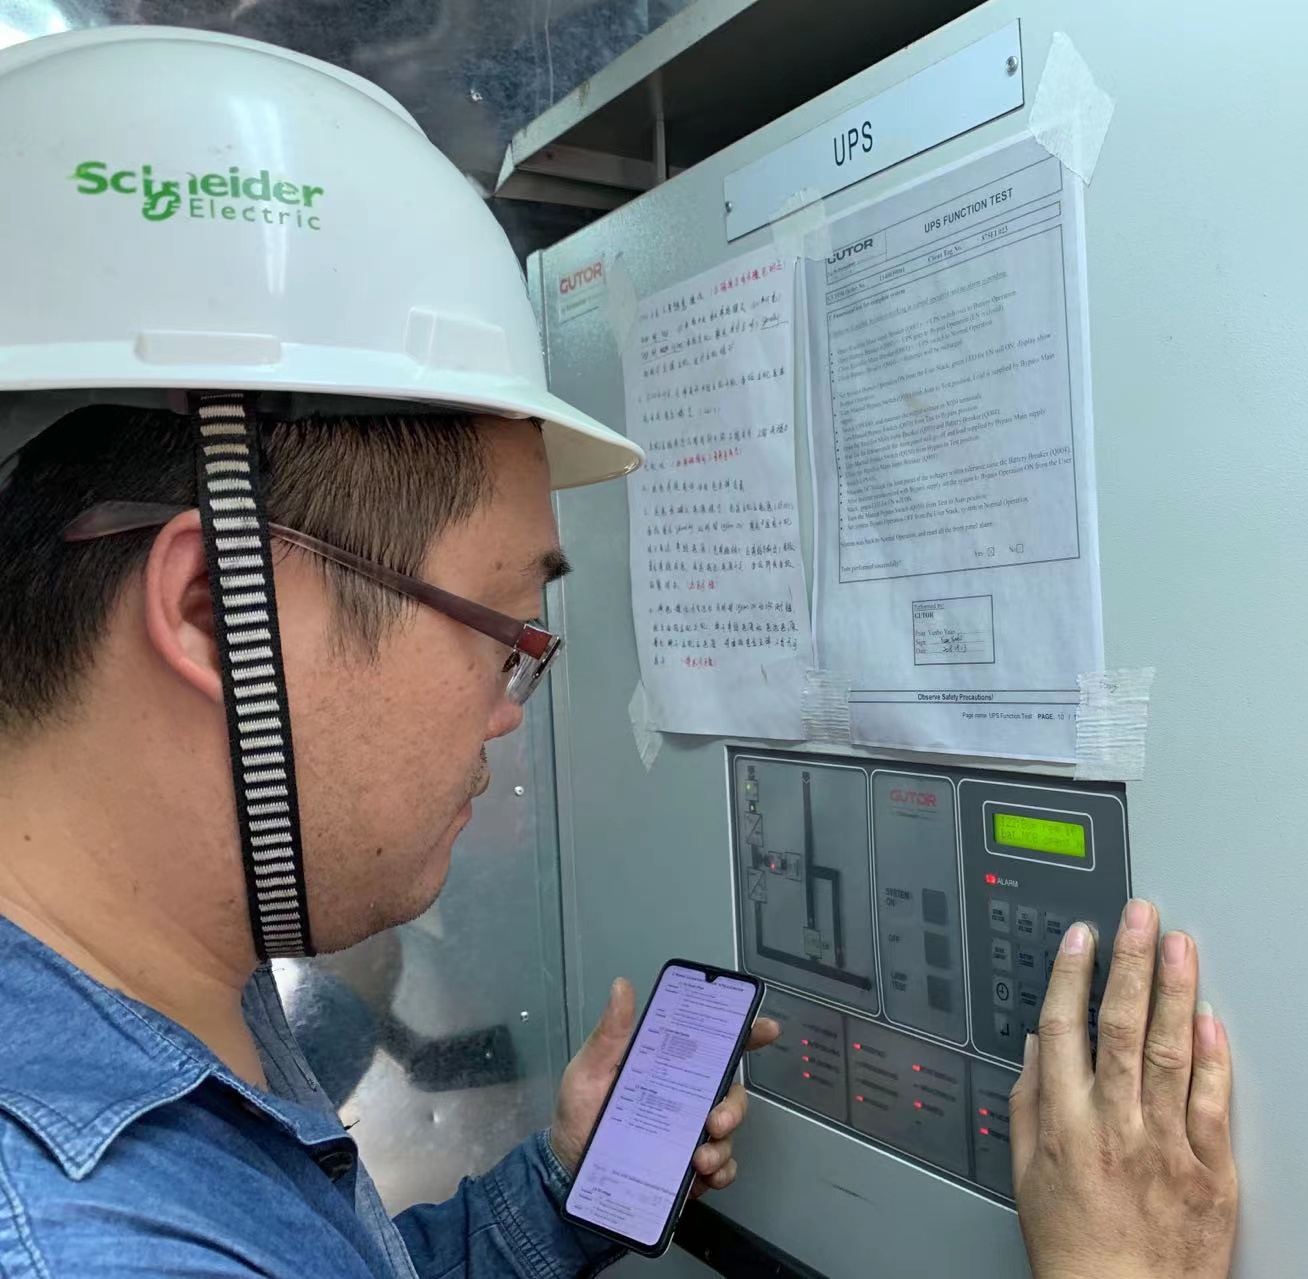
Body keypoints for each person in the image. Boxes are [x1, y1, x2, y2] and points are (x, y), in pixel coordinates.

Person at [0, 25, 1237, 1279]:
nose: (509, 710)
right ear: (218, 611)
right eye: (502, 630)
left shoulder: (144, 1006)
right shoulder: (80, 1241)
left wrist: (558, 1197)